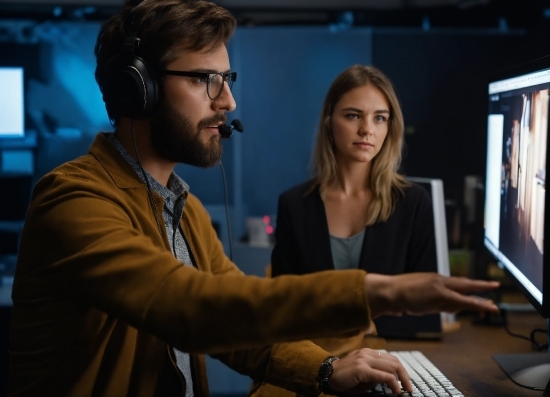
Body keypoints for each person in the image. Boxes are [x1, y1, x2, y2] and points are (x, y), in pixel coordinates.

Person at [8, 1, 500, 396]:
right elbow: (192, 309)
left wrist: (327, 369)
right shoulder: (73, 200)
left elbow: (243, 333)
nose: (228, 102)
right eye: (206, 80)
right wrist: (379, 290)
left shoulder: (186, 212)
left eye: (227, 80)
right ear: (140, 89)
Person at [251, 65, 454, 397]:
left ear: (391, 127)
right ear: (330, 120)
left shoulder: (413, 202)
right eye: (353, 116)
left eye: (379, 118)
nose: (366, 130)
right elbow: (282, 310)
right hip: (317, 361)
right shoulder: (295, 205)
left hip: (386, 360)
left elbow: (425, 312)